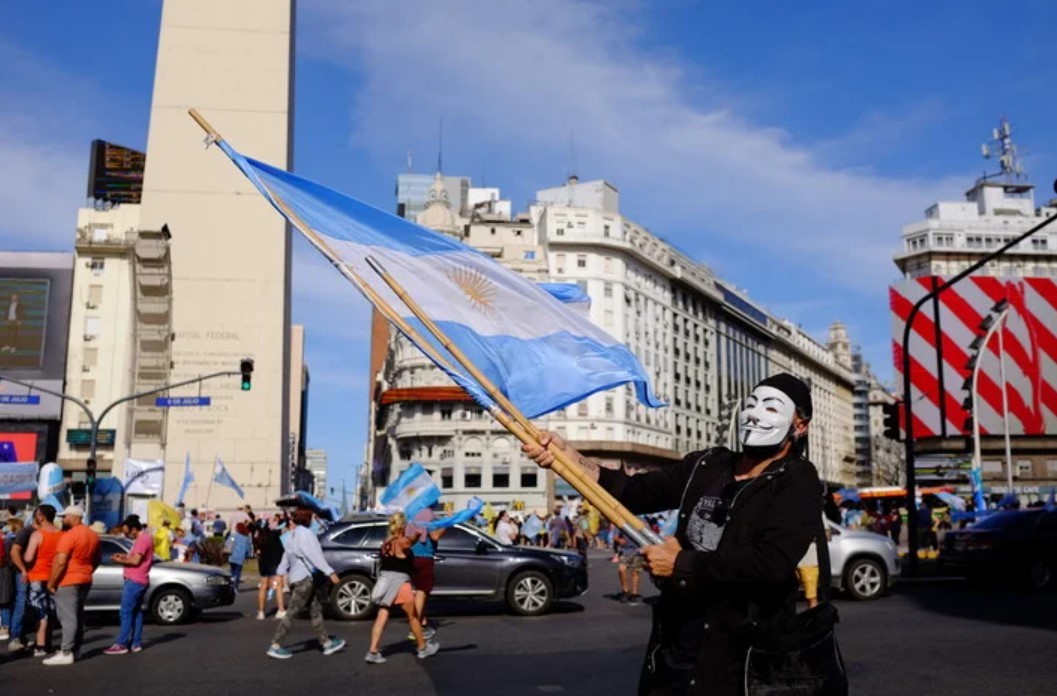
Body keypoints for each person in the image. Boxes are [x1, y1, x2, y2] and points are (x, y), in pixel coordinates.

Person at [523, 373, 826, 695]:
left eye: (770, 407)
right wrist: (571, 458)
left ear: (799, 426)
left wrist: (682, 563)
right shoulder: (709, 464)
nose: (753, 413)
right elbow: (635, 492)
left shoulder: (798, 480)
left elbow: (772, 563)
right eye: (750, 404)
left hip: (745, 657)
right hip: (679, 648)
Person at [266, 509, 345, 660]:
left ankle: (326, 643)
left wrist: (280, 573)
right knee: (292, 613)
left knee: (315, 611)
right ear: (307, 519)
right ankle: (275, 645)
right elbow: (313, 554)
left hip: (296, 579)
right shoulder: (306, 534)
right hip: (305, 579)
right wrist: (330, 571)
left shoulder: (292, 535)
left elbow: (286, 557)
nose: (314, 521)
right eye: (312, 518)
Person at [364, 512, 439, 664]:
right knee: (413, 617)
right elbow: (410, 541)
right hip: (399, 582)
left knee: (382, 616)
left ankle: (373, 651)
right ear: (401, 526)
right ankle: (423, 648)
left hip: (385, 580)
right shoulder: (401, 542)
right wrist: (418, 534)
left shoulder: (386, 542)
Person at [45, 506, 101, 665]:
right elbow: (97, 558)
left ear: (74, 517)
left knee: (68, 618)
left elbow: (60, 562)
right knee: (77, 616)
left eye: (65, 517)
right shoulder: (92, 535)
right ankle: (76, 650)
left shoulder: (69, 536)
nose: (62, 519)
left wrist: (51, 582)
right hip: (85, 579)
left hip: (68, 580)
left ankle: (66, 652)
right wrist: (88, 571)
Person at [103, 515, 154, 654]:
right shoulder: (144, 538)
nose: (126, 535)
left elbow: (136, 561)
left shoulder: (142, 539)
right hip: (139, 579)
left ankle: (122, 643)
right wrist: (124, 557)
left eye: (127, 532)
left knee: (125, 612)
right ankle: (135, 643)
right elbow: (136, 557)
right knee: (136, 612)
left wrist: (119, 561)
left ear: (133, 529)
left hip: (135, 580)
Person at [23, 504, 60, 657]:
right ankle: (48, 643)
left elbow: (28, 557)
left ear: (41, 517)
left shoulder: (38, 535)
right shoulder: (62, 534)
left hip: (38, 576)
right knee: (51, 610)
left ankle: (40, 645)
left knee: (40, 611)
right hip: (55, 576)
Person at [405, 507, 445, 641]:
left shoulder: (412, 513)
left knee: (420, 590)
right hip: (424, 556)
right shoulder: (429, 515)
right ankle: (415, 627)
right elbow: (435, 536)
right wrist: (446, 524)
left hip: (411, 555)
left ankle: (422, 622)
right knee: (422, 591)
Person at [4, 515, 33, 651]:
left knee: (14, 602)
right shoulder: (15, 539)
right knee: (21, 601)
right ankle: (16, 636)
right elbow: (15, 555)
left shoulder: (8, 538)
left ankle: (19, 635)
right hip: (19, 572)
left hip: (10, 573)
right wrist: (23, 570)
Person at [255, 523, 287, 620]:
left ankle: (261, 612)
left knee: (263, 587)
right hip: (275, 564)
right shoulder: (273, 535)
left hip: (264, 565)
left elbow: (258, 553)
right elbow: (284, 530)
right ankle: (281, 610)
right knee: (278, 586)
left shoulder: (260, 539)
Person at [614, 531, 643, 605]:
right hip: (625, 551)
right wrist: (619, 540)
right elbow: (615, 536)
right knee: (621, 570)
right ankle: (625, 590)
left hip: (638, 551)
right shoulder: (621, 520)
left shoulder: (641, 521)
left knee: (635, 573)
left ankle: (634, 593)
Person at [225, 522, 251, 588]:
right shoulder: (246, 538)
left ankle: (231, 585)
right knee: (238, 572)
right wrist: (247, 556)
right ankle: (235, 587)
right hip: (240, 557)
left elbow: (229, 543)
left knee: (232, 571)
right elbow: (248, 548)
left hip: (232, 556)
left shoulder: (233, 536)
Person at [797, 540, 820, 609]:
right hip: (809, 562)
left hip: (791, 559)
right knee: (812, 598)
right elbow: (827, 535)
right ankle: (814, 618)